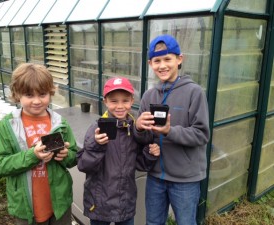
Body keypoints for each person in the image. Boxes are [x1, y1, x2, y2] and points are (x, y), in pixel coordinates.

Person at [133, 34, 210, 225]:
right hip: (155, 176)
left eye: (168, 59)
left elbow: (201, 134)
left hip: (185, 179)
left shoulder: (194, 92)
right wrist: (138, 127)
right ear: (150, 63)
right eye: (157, 61)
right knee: (153, 222)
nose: (162, 65)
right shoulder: (148, 96)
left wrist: (169, 131)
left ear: (179, 59)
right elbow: (141, 138)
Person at [0, 63, 78, 225]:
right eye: (29, 95)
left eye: (43, 94)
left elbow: (74, 157)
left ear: (51, 93)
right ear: (17, 94)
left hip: (59, 204)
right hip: (25, 206)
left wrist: (65, 155)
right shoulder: (9, 125)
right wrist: (33, 155)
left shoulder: (60, 123)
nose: (37, 101)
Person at [77, 77, 160, 225]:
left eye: (125, 100)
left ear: (132, 101)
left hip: (125, 204)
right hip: (99, 205)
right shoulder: (95, 129)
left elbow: (140, 164)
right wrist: (97, 146)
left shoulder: (134, 129)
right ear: (105, 102)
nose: (120, 106)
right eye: (114, 101)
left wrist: (149, 153)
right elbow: (83, 165)